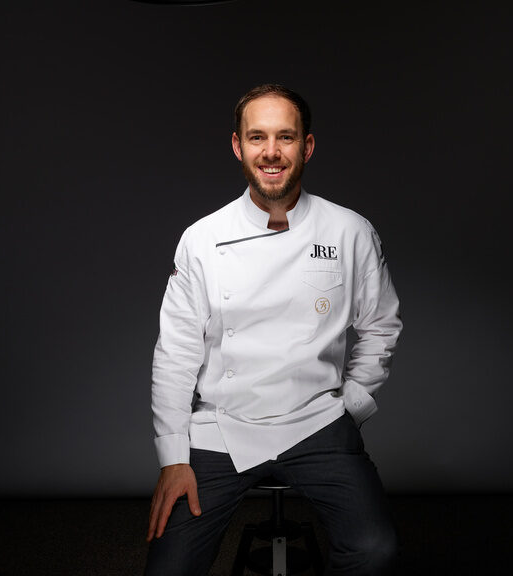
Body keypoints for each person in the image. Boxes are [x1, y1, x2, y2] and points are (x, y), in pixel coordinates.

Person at [145, 84, 402, 575]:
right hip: (221, 427)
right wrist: (174, 456)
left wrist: (353, 405)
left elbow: (381, 326)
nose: (271, 152)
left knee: (375, 550)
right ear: (238, 146)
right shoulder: (202, 239)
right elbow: (175, 352)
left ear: (306, 146)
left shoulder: (350, 231)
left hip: (319, 422)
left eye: (285, 137)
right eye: (257, 137)